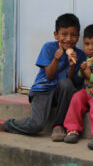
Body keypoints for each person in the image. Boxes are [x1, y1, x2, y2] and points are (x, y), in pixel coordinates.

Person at [3, 13, 86, 141]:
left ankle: (58, 125)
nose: (68, 39)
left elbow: (71, 82)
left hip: (60, 93)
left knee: (67, 84)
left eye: (73, 35)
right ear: (56, 35)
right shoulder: (49, 47)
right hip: (43, 91)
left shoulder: (79, 55)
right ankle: (8, 124)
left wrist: (71, 66)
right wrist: (56, 60)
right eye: (64, 34)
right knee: (37, 125)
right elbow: (49, 75)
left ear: (78, 37)